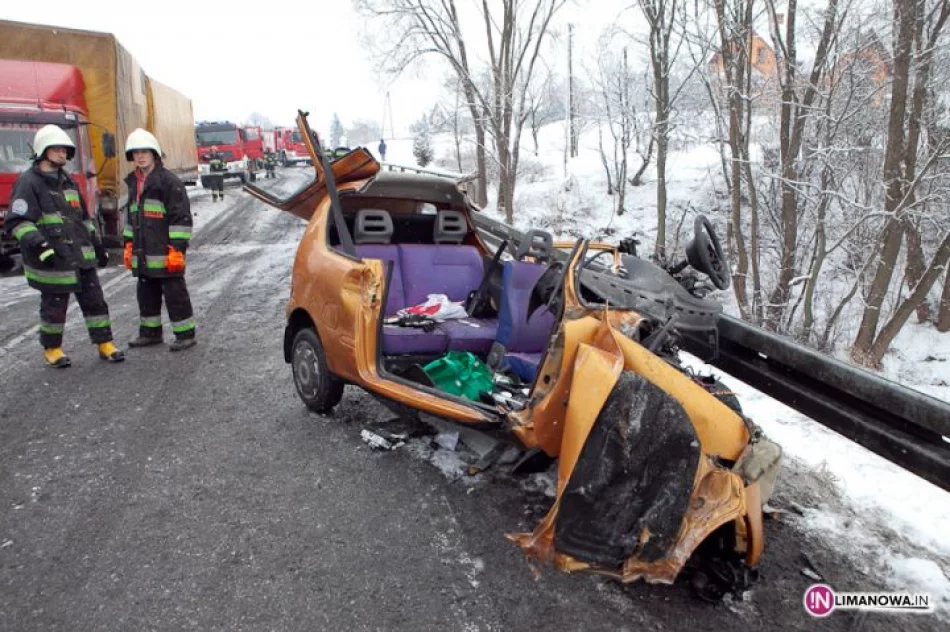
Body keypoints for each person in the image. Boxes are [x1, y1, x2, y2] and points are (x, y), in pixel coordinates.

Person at [4, 124, 124, 367]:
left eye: (64, 150)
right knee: (54, 307)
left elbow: (82, 218)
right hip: (53, 257)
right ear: (43, 151)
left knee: (95, 302)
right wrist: (41, 246)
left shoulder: (68, 182)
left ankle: (105, 343)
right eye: (57, 149)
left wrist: (97, 245)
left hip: (81, 256)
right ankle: (52, 349)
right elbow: (17, 222)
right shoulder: (29, 183)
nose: (63, 154)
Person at [123, 128, 197, 352]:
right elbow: (131, 217)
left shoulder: (168, 182)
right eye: (136, 153)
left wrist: (177, 249)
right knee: (146, 294)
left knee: (175, 294)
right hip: (143, 252)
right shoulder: (134, 183)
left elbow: (180, 219)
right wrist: (128, 244)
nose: (140, 156)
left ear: (155, 154)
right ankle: (150, 333)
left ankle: (185, 335)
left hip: (165, 252)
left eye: (145, 151)